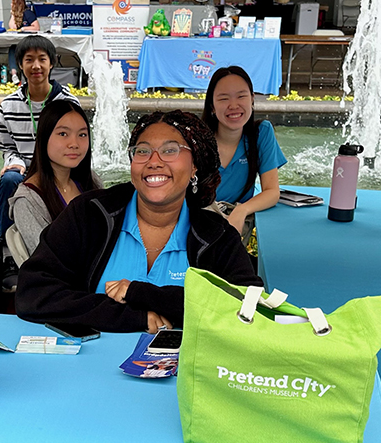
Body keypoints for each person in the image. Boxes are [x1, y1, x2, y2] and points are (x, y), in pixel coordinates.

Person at [16, 110, 262, 333]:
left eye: (170, 150)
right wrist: (131, 317)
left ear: (195, 165)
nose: (154, 161)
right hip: (91, 364)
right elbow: (33, 293)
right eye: (142, 151)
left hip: (185, 366)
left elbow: (249, 308)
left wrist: (143, 294)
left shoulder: (215, 235)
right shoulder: (90, 214)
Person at [0, 35, 79, 238]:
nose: (36, 66)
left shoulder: (67, 104)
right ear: (20, 64)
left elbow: (76, 145)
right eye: (29, 60)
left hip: (59, 171)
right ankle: (6, 246)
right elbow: (7, 147)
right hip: (24, 171)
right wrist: (15, 162)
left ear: (51, 63)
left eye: (42, 59)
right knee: (9, 179)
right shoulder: (9, 105)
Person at [9, 100, 100, 258]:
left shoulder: (90, 180)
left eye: (82, 134)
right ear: (44, 137)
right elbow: (47, 260)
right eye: (63, 134)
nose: (74, 143)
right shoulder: (28, 201)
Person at [202, 66, 285, 238]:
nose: (233, 105)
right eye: (224, 98)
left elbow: (272, 191)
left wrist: (241, 211)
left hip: (234, 226)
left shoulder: (261, 133)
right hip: (198, 221)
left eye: (241, 96)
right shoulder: (197, 139)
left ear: (252, 99)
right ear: (212, 106)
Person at [6, 0, 39, 84]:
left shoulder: (28, 13)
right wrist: (12, 15)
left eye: (13, 3)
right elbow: (12, 27)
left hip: (29, 41)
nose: (11, 5)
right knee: (13, 48)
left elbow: (36, 27)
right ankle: (14, 74)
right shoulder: (16, 15)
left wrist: (24, 29)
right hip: (18, 41)